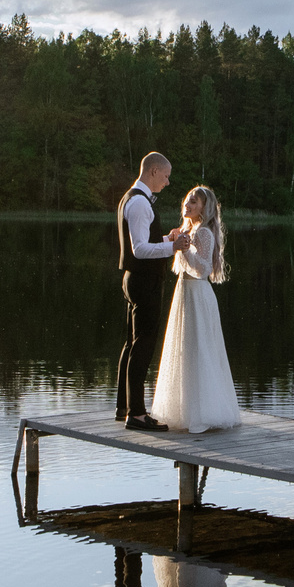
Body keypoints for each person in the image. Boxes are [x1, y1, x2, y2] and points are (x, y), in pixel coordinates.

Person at [150, 184, 242, 431]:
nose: (187, 204)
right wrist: (176, 240)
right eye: (187, 200)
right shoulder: (188, 230)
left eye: (194, 202)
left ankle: (204, 414)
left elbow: (203, 269)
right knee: (185, 350)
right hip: (185, 292)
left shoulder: (203, 233)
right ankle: (184, 411)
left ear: (204, 208)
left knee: (199, 349)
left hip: (197, 293)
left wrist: (183, 247)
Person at [115, 153, 177, 430]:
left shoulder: (131, 198)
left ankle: (124, 407)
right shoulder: (140, 202)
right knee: (143, 345)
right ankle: (137, 414)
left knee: (132, 344)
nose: (167, 182)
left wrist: (166, 239)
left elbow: (143, 241)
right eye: (165, 176)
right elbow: (140, 249)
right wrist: (172, 248)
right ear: (153, 171)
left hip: (134, 279)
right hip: (144, 282)